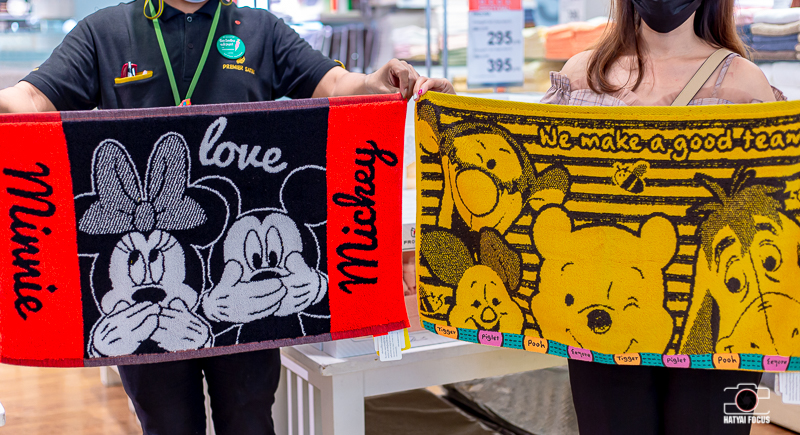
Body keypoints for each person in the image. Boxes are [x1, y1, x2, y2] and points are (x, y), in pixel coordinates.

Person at [0, 1, 452, 434]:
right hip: (150, 284)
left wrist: (377, 81)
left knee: (249, 418)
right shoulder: (106, 32)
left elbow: (334, 85)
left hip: (242, 276)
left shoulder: (260, 30)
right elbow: (34, 97)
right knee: (166, 424)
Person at [540, 0, 780, 434]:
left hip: (720, 333)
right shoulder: (580, 76)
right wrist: (448, 112)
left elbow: (775, 207)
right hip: (602, 324)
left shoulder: (746, 84)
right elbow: (537, 181)